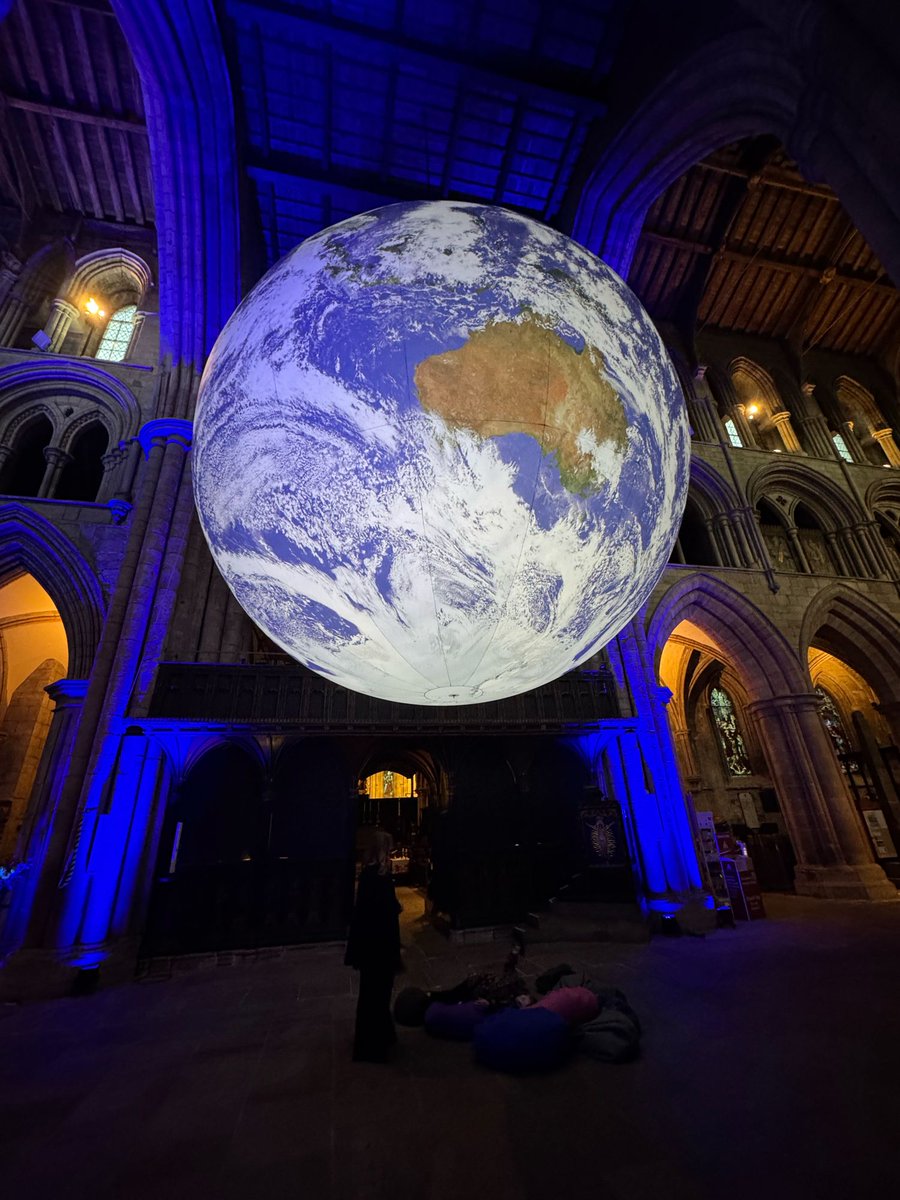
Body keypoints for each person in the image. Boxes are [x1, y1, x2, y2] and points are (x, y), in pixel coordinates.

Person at [345, 830, 403, 1062]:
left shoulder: (375, 876)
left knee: (377, 993)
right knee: (374, 994)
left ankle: (382, 1035)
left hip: (376, 945)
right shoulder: (375, 877)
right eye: (388, 848)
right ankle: (370, 1046)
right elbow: (376, 911)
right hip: (377, 946)